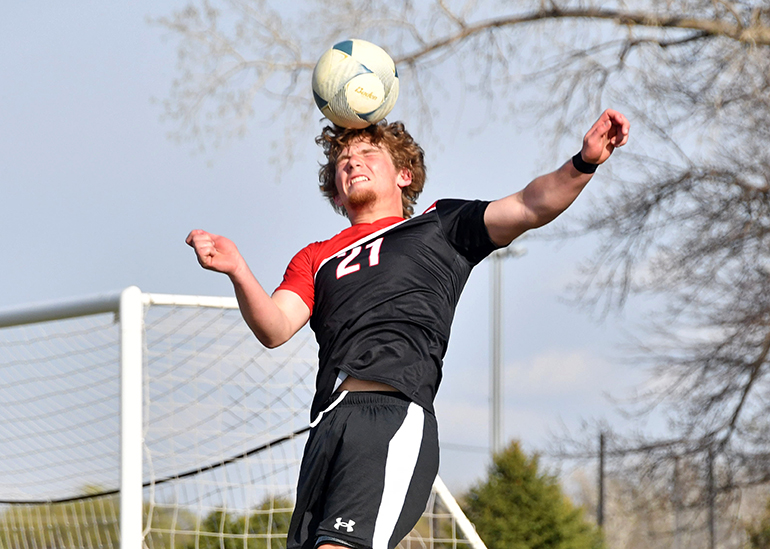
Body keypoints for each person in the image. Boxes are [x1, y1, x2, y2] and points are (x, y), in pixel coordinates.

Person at [186, 109, 630, 549]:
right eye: (342, 161)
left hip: (391, 415)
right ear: (336, 195)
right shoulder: (315, 257)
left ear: (404, 174)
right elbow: (275, 327)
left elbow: (531, 205)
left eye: (366, 153)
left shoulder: (440, 227)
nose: (352, 162)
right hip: (328, 426)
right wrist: (238, 269)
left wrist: (585, 161)